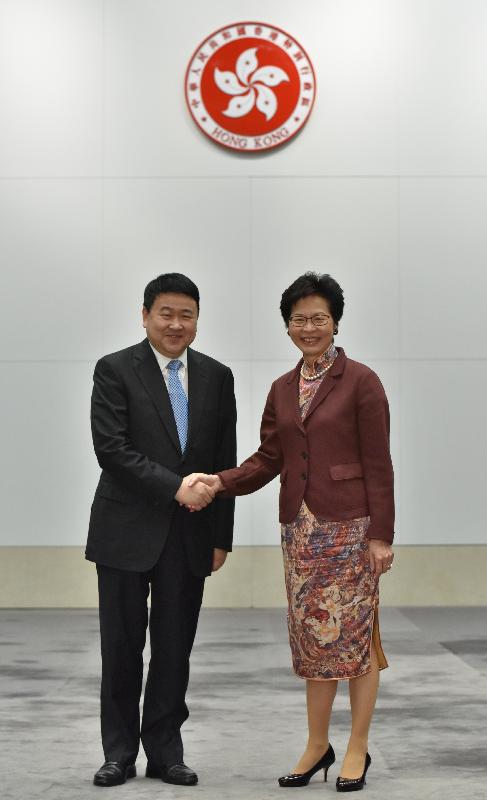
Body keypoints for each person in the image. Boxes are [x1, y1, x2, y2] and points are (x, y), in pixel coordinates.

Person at [188, 273, 394, 792]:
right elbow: (268, 459)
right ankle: (316, 745)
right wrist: (219, 481)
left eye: (318, 318)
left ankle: (356, 748)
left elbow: (379, 463)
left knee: (355, 642)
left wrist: (381, 536)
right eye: (299, 319)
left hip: (350, 530)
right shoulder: (282, 389)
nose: (309, 327)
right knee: (313, 642)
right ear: (287, 326)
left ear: (335, 322)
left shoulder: (362, 381)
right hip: (300, 535)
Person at [85, 273, 237, 787]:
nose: (176, 324)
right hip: (125, 531)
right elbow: (112, 449)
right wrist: (175, 487)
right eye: (166, 313)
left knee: (175, 648)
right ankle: (119, 753)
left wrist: (221, 537)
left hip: (190, 536)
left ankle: (166, 751)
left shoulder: (218, 376)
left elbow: (224, 461)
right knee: (121, 647)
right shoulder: (114, 370)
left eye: (186, 314)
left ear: (197, 319)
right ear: (145, 314)